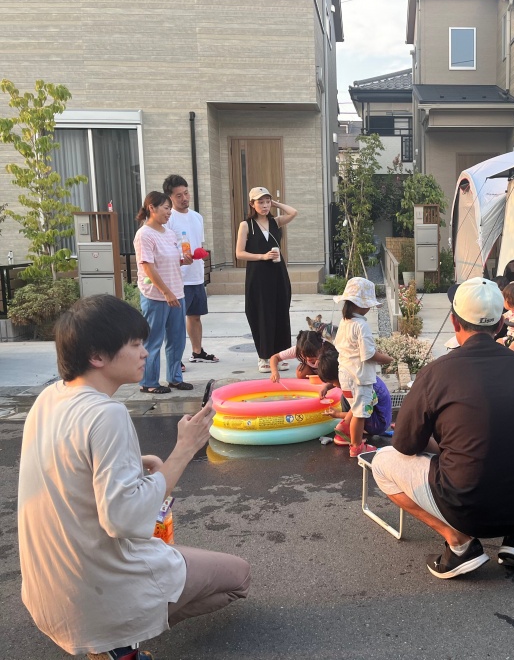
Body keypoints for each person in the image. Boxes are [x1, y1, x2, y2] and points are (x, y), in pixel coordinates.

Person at [18, 294, 250, 660]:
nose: (145, 352)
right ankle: (119, 645)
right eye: (135, 344)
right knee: (238, 577)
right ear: (97, 356)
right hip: (97, 593)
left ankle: (115, 637)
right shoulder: (106, 413)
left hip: (47, 592)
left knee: (178, 559)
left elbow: (64, 465)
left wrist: (131, 463)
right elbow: (123, 519)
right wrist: (185, 448)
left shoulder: (49, 398)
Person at [371, 278, 514, 579]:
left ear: (454, 322)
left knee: (382, 462)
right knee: (512, 447)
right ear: (501, 325)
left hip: (468, 507)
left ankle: (459, 544)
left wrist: (437, 443)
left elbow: (405, 445)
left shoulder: (436, 372)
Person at [134, 191, 193, 394]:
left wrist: (183, 260)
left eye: (170, 209)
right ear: (152, 208)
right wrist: (166, 292)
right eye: (166, 208)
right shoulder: (144, 234)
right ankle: (149, 382)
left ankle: (175, 379)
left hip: (177, 292)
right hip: (156, 295)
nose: (169, 212)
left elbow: (170, 261)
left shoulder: (169, 233)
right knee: (154, 340)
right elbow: (148, 267)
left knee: (177, 340)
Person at [235, 187, 298, 373]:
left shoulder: (275, 222)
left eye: (267, 201)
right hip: (258, 275)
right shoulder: (246, 225)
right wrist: (262, 256)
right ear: (252, 204)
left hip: (278, 273)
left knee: (281, 312)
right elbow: (239, 253)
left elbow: (293, 212)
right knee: (261, 313)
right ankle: (264, 356)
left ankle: (280, 355)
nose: (264, 205)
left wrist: (276, 203)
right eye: (260, 202)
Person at [331, 277, 393, 458]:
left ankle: (345, 427)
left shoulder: (345, 322)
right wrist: (387, 359)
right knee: (359, 414)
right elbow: (369, 355)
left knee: (356, 408)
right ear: (362, 305)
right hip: (359, 377)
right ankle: (357, 447)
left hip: (345, 374)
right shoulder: (361, 325)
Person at [163, 174, 218, 370]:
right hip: (178, 278)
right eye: (178, 196)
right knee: (175, 321)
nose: (184, 198)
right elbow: (165, 248)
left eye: (186, 193)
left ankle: (197, 352)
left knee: (195, 316)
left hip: (196, 275)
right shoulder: (168, 219)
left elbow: (198, 244)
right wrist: (180, 258)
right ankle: (175, 359)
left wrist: (200, 255)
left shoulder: (197, 217)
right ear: (170, 197)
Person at [317, 345, 392, 447]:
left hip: (378, 424)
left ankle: (355, 437)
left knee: (350, 398)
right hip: (376, 416)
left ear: (341, 375)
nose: (334, 385)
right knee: (347, 397)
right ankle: (352, 428)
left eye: (333, 382)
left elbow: (360, 411)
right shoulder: (356, 374)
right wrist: (327, 387)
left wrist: (338, 414)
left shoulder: (363, 387)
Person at [269, 330, 335, 383]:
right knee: (301, 372)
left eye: (312, 355)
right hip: (313, 371)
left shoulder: (327, 349)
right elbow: (275, 357)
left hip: (328, 371)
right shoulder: (299, 349)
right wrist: (274, 372)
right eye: (305, 355)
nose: (308, 358)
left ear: (320, 348)